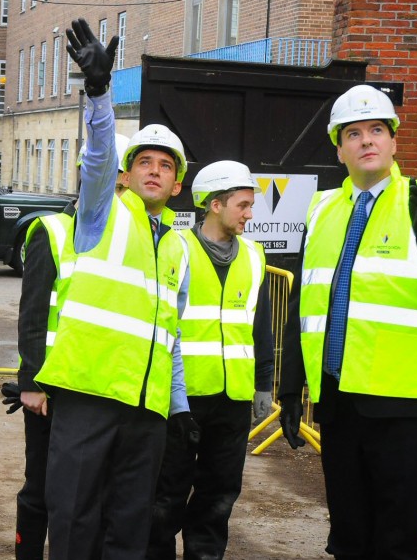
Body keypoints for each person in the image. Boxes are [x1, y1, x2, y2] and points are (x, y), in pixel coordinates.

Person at [278, 84, 417, 559]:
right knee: (349, 535)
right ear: (339, 147)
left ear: (393, 141)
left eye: (378, 130)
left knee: (400, 540)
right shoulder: (322, 208)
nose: (367, 140)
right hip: (340, 400)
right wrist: (290, 385)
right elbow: (308, 301)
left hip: (403, 403)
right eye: (355, 133)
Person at [34, 18, 198, 560]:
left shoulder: (177, 248)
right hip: (88, 398)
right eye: (143, 163)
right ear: (126, 176)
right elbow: (98, 155)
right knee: (75, 521)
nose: (153, 171)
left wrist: (178, 410)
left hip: (145, 409)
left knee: (127, 533)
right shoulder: (102, 212)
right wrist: (99, 95)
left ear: (177, 185)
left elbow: (170, 336)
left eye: (165, 166)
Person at [4, 131, 134, 560]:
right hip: (52, 385)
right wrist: (31, 381)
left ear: (125, 182)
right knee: (40, 487)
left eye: (116, 178)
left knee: (86, 494)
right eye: (100, 175)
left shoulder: (129, 243)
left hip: (97, 386)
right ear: (82, 174)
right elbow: (34, 313)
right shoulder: (54, 231)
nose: (109, 187)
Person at [147, 160, 274, 560]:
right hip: (181, 399)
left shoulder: (254, 256)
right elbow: (159, 321)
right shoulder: (176, 248)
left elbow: (261, 325)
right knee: (165, 497)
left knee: (218, 497)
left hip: (232, 399)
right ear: (216, 205)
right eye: (243, 204)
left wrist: (264, 385)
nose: (250, 214)